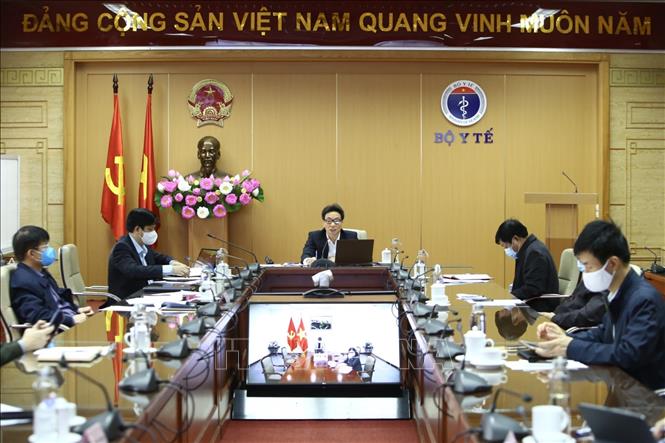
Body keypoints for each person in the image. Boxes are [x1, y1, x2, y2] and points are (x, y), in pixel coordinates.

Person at [535, 220, 665, 391]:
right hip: (621, 386)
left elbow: (628, 355)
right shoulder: (616, 292)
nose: (585, 273)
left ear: (612, 264)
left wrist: (569, 347)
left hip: (647, 394)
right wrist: (565, 338)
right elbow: (604, 333)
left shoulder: (643, 300)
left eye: (587, 266)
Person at [10, 225, 93, 328]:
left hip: (67, 320)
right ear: (31, 253)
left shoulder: (41, 272)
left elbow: (57, 300)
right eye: (45, 247)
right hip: (57, 331)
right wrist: (71, 319)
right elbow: (37, 316)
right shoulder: (22, 282)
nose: (50, 250)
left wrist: (76, 310)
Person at [107, 208, 189, 301]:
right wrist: (171, 270)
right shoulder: (122, 247)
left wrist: (172, 262)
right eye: (150, 229)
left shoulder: (142, 244)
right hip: (129, 300)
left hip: (148, 295)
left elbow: (159, 257)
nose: (153, 233)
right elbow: (134, 270)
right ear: (137, 229)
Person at [495, 219, 559, 311]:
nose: (506, 250)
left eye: (506, 246)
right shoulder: (528, 250)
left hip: (538, 306)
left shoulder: (535, 253)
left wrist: (509, 297)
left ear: (515, 239)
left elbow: (533, 288)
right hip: (530, 302)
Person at [540, 269, 608, 330]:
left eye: (586, 263)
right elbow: (572, 299)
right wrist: (554, 315)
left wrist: (556, 318)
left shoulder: (605, 285)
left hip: (571, 327)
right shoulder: (591, 276)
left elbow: (587, 316)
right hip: (561, 320)